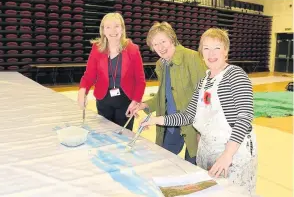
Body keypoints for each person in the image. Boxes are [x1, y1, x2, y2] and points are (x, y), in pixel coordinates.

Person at [139, 28, 257, 195]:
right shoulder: (204, 81)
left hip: (233, 153)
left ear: (226, 51)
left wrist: (227, 155)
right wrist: (155, 120)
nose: (211, 53)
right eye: (206, 48)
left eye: (217, 48)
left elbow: (244, 118)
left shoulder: (235, 75)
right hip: (206, 150)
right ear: (201, 52)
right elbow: (188, 116)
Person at [130, 22, 207, 165]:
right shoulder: (161, 64)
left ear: (172, 39)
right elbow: (163, 96)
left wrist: (201, 132)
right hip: (171, 124)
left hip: (193, 127)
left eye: (163, 41)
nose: (161, 47)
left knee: (192, 168)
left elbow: (205, 96)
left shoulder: (192, 57)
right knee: (164, 162)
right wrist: (143, 105)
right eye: (156, 44)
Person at [78, 12, 146, 131]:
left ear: (122, 28)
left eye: (117, 26)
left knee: (123, 136)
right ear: (103, 30)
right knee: (104, 135)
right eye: (108, 27)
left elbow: (140, 81)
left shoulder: (133, 50)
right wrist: (82, 91)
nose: (113, 30)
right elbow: (89, 75)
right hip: (103, 100)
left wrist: (136, 101)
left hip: (126, 101)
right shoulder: (97, 49)